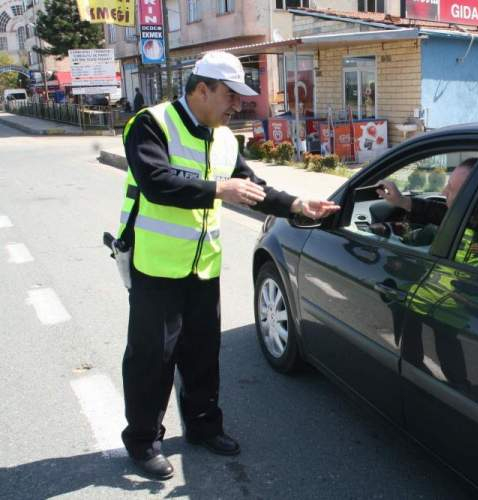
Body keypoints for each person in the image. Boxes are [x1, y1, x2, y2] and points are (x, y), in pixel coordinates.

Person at [116, 50, 339, 480]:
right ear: (202, 89)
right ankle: (143, 440)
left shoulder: (224, 137)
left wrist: (296, 203)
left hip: (203, 268)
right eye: (230, 96)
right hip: (157, 266)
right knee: (151, 358)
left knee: (202, 353)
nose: (237, 105)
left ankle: (203, 426)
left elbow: (251, 187)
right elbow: (156, 183)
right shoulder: (151, 123)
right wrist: (220, 189)